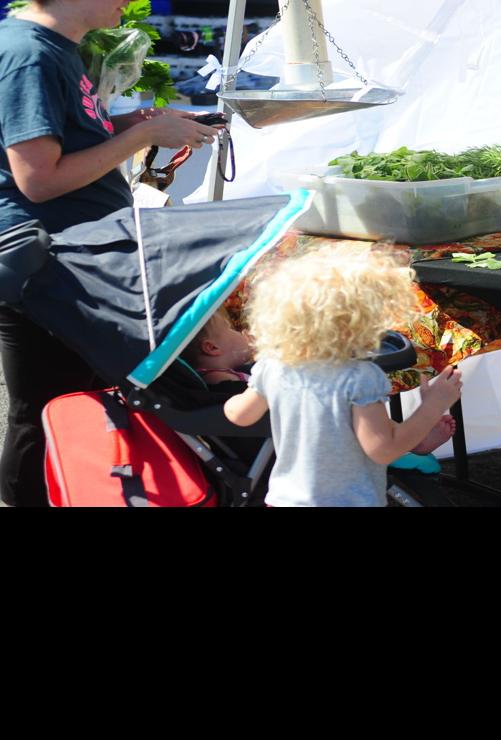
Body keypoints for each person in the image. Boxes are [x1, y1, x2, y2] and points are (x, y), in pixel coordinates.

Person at [0, 0, 219, 506]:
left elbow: (63, 140)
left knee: (75, 400)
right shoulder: (30, 54)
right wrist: (145, 135)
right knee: (48, 409)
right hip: (45, 261)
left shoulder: (56, 48)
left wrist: (133, 122)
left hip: (72, 257)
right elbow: (38, 180)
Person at [222, 251, 464, 507]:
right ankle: (418, 440)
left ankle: (418, 439)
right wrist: (433, 405)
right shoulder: (359, 378)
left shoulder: (273, 367)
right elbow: (383, 450)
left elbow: (240, 415)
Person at [181, 310, 457, 455]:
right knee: (354, 413)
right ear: (212, 348)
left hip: (286, 457)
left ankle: (411, 437)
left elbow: (247, 407)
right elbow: (250, 410)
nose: (239, 332)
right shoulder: (223, 382)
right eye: (230, 330)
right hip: (298, 445)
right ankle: (414, 440)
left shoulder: (225, 375)